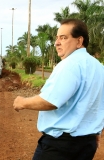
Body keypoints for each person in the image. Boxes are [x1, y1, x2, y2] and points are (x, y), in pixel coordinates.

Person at [13, 18, 104, 160]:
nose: (57, 43)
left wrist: (22, 102)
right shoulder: (99, 67)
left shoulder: (70, 64)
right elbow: (98, 104)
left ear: (79, 41)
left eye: (63, 38)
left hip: (60, 146)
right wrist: (96, 132)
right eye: (57, 38)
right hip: (87, 144)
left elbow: (51, 101)